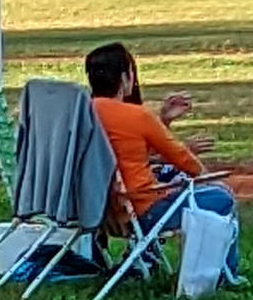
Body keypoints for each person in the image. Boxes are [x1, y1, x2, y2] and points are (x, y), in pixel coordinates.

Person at [84, 40, 239, 273]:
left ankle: (142, 259)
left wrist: (163, 121)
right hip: (142, 209)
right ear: (125, 77)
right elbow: (181, 158)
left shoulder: (83, 114)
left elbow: (129, 154)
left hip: (99, 210)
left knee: (170, 177)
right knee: (221, 197)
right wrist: (208, 178)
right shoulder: (136, 116)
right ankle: (223, 274)